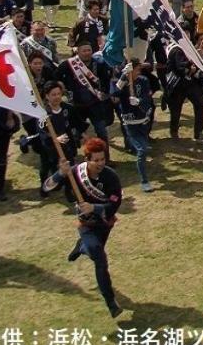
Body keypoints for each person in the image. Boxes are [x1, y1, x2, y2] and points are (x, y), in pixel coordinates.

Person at [53, 138, 124, 316]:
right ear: (87, 159)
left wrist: (95, 207)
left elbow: (115, 205)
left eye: (103, 159)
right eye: (96, 160)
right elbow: (46, 189)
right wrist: (60, 174)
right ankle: (111, 302)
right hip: (86, 225)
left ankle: (82, 247)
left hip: (104, 224)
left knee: (94, 251)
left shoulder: (111, 177)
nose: (100, 163)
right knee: (100, 260)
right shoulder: (75, 173)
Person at [112, 58, 156, 192]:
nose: (137, 72)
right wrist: (123, 78)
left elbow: (147, 98)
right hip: (130, 123)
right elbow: (114, 94)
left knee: (144, 148)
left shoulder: (143, 81)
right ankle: (144, 181)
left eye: (138, 69)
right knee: (142, 151)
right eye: (135, 69)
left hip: (142, 121)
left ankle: (142, 169)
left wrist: (139, 101)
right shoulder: (123, 82)